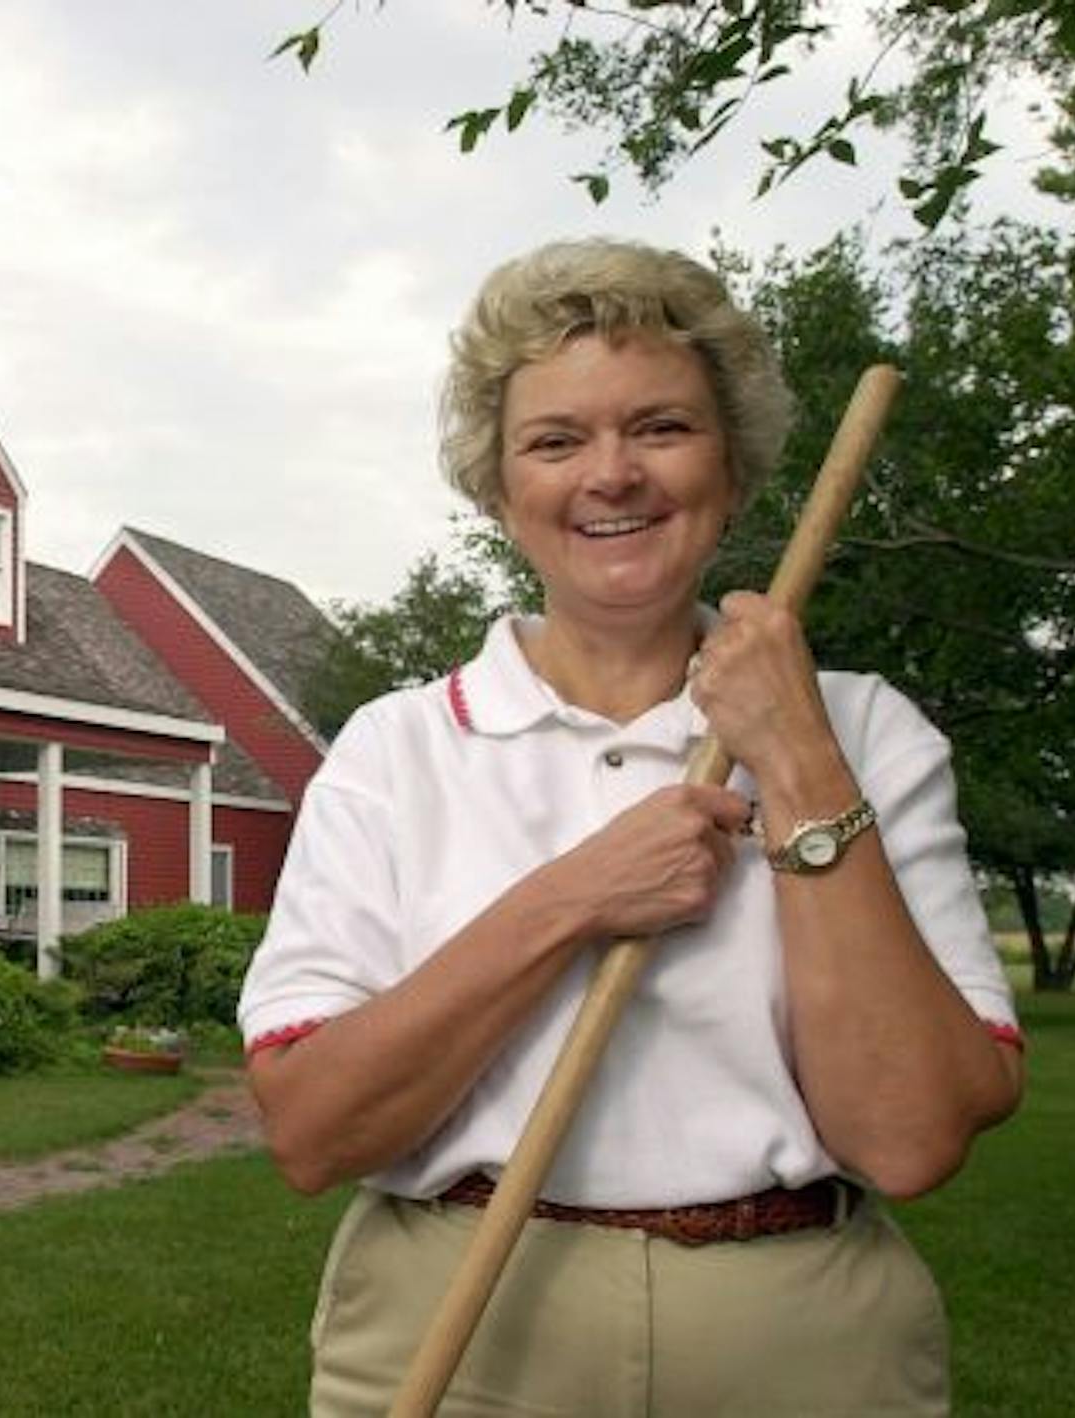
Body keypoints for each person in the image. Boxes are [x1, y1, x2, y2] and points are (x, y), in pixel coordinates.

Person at [238, 238, 1024, 1417]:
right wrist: (571, 897)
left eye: (660, 427)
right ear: (502, 490)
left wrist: (796, 754)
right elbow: (311, 1130)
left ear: (735, 466)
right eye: (556, 441)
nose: (612, 474)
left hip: (804, 1347)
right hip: (462, 1331)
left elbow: (911, 1137)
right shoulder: (396, 750)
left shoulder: (866, 728)